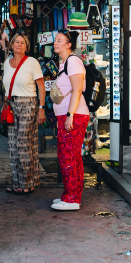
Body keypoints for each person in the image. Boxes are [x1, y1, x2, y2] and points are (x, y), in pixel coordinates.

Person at [50, 29, 89, 211]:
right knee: (69, 156)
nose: (55, 43)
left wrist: (70, 115)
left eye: (59, 40)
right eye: (55, 40)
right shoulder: (64, 63)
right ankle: (70, 194)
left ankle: (73, 198)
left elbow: (77, 89)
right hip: (66, 116)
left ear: (69, 44)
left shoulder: (73, 62)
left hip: (74, 116)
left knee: (68, 157)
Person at [2, 33, 46, 194]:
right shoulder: (7, 63)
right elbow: (6, 86)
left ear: (26, 46)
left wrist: (41, 108)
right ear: (12, 45)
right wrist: (5, 103)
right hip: (11, 105)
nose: (19, 45)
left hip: (28, 104)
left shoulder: (32, 62)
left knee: (24, 143)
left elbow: (41, 87)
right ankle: (18, 182)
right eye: (17, 42)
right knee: (13, 145)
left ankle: (27, 183)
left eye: (23, 43)